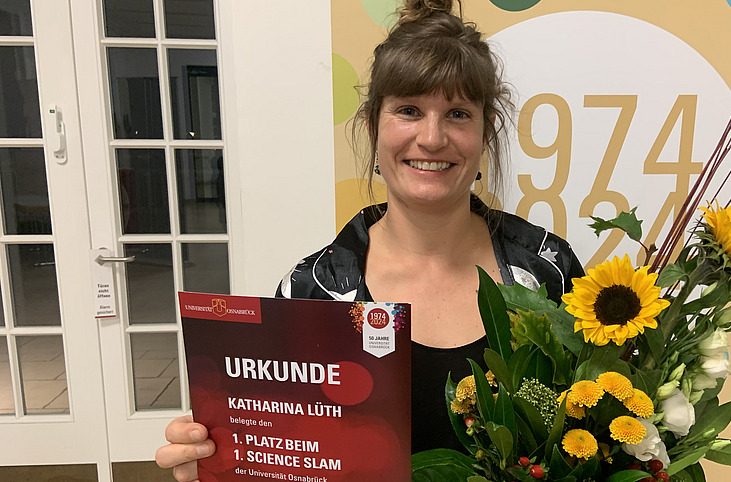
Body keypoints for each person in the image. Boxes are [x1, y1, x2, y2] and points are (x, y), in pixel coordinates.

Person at [155, 1, 584, 479]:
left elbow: (598, 433)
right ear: (371, 127)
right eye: (408, 110)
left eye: (458, 113)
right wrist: (220, 461)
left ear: (485, 133)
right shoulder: (312, 292)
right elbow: (285, 459)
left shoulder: (550, 271)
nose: (432, 137)